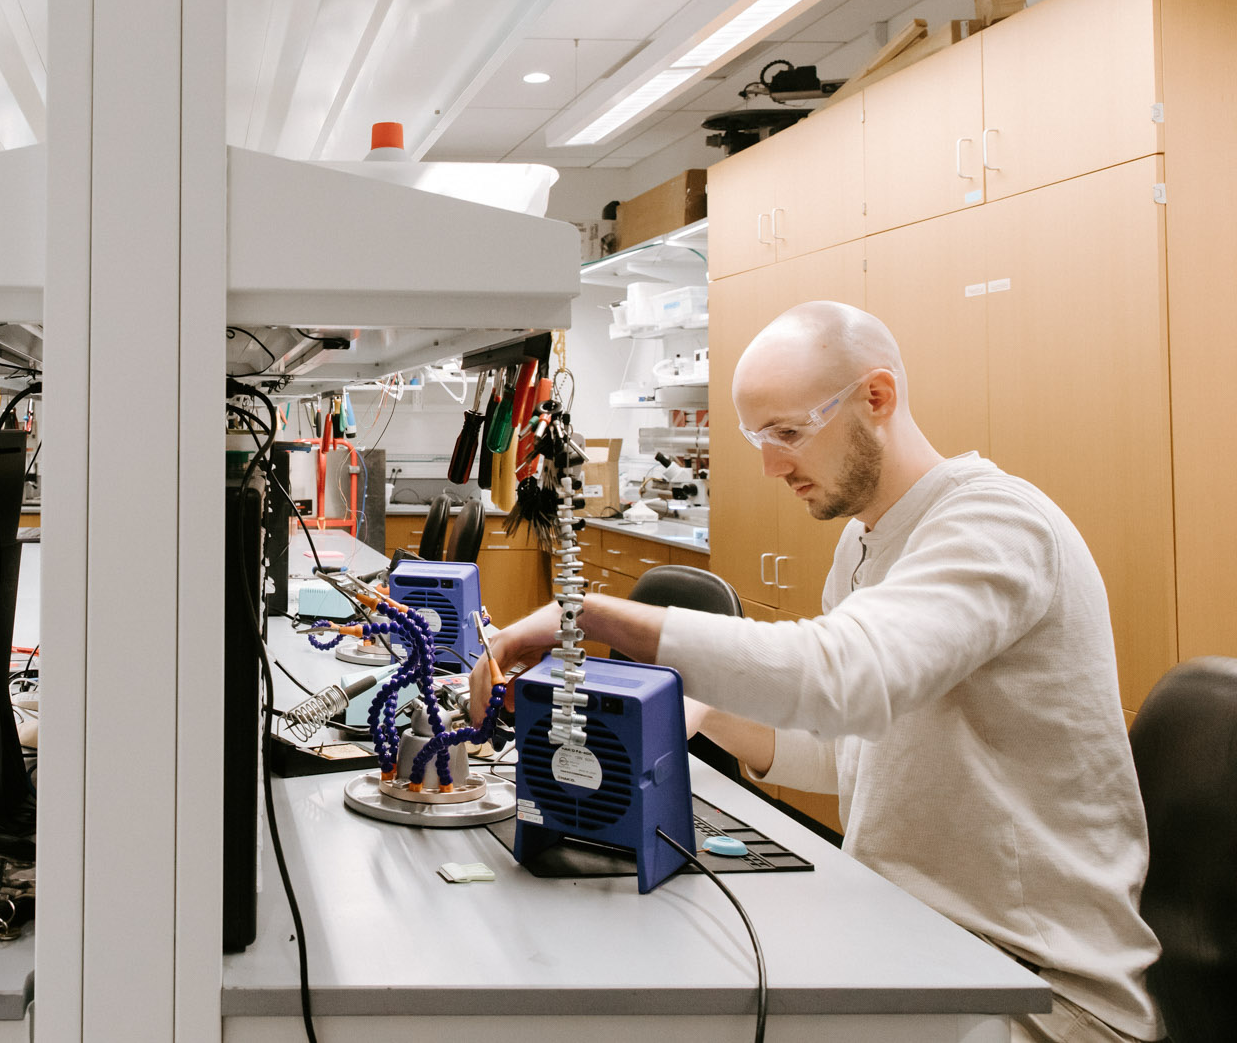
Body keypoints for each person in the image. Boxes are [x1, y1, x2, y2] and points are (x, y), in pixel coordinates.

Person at [474, 302, 1163, 1043]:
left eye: (789, 432)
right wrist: (699, 707)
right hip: (916, 949)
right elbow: (850, 753)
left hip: (1039, 992)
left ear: (877, 397)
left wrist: (599, 616)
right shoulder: (864, 543)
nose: (772, 464)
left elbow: (846, 678)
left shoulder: (997, 524)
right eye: (757, 438)